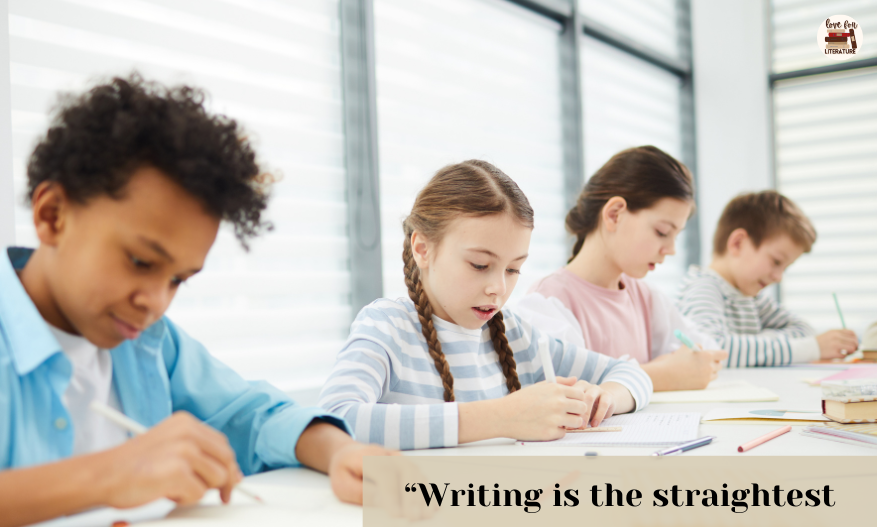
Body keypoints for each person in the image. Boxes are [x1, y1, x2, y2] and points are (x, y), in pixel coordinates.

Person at [0, 75, 391, 527]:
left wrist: (341, 451)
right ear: (52, 214)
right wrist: (106, 475)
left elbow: (254, 415)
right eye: (142, 262)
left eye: (178, 280)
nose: (156, 302)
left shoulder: (148, 344)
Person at [318, 160, 652, 450]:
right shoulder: (388, 326)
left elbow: (629, 373)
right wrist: (502, 417)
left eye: (513, 269)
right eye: (480, 265)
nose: (499, 288)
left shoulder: (516, 335)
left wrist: (603, 398)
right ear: (422, 248)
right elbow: (336, 419)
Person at [513, 146, 727, 391]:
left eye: (675, 236)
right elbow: (567, 389)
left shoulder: (647, 298)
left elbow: (706, 349)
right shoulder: (548, 301)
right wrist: (661, 375)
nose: (671, 249)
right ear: (614, 214)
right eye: (662, 232)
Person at [677, 190, 858, 366]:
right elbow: (712, 349)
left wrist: (753, 346)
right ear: (738, 243)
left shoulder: (751, 298)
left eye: (785, 268)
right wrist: (809, 348)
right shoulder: (702, 288)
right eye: (776, 261)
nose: (778, 277)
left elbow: (803, 330)